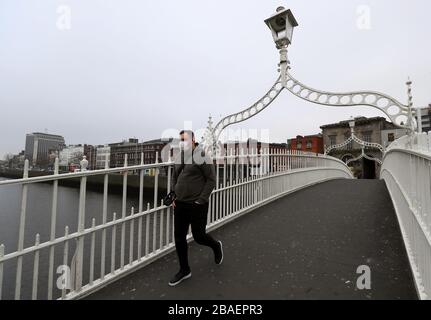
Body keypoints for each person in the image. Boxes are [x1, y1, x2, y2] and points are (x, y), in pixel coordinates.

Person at [168, 130, 223, 286]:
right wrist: (173, 194)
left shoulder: (202, 156)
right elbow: (174, 177)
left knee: (199, 236)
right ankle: (184, 270)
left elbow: (211, 180)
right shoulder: (179, 157)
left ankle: (216, 246)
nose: (182, 142)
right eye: (181, 140)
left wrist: (201, 200)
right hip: (180, 203)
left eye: (185, 139)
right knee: (179, 238)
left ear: (193, 140)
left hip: (196, 204)